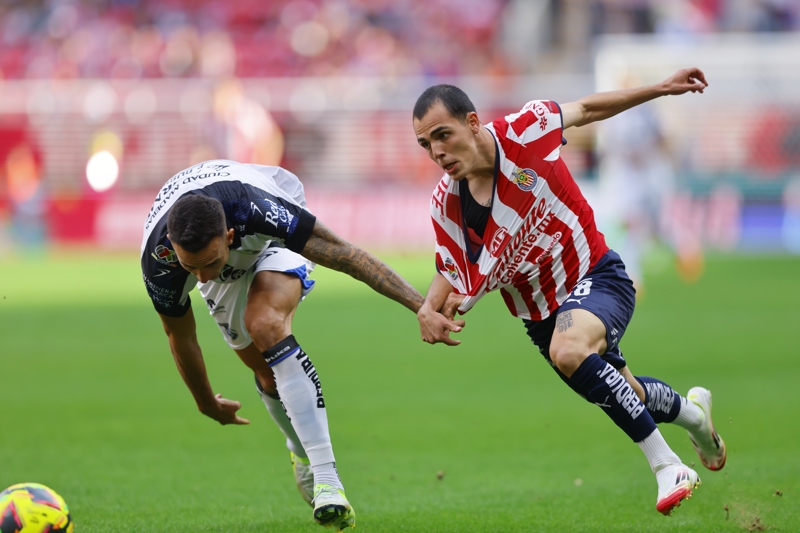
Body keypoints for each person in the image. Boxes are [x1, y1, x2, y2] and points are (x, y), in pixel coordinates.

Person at [412, 67, 726, 516]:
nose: (436, 151)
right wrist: (427, 306)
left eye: (442, 134)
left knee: (570, 348)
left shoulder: (526, 130)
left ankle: (668, 466)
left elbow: (590, 108)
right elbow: (451, 267)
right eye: (426, 144)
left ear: (472, 122)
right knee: (629, 396)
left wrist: (660, 89)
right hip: (539, 318)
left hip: (596, 275)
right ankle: (695, 417)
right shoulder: (446, 204)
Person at [140, 159, 424, 531]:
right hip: (219, 234)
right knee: (264, 370)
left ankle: (327, 480)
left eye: (208, 263)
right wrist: (205, 401)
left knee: (265, 323)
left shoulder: (260, 210)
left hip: (268, 232)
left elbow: (346, 255)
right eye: (190, 268)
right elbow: (180, 334)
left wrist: (421, 306)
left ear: (227, 236)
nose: (203, 278)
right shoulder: (159, 261)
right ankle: (299, 450)